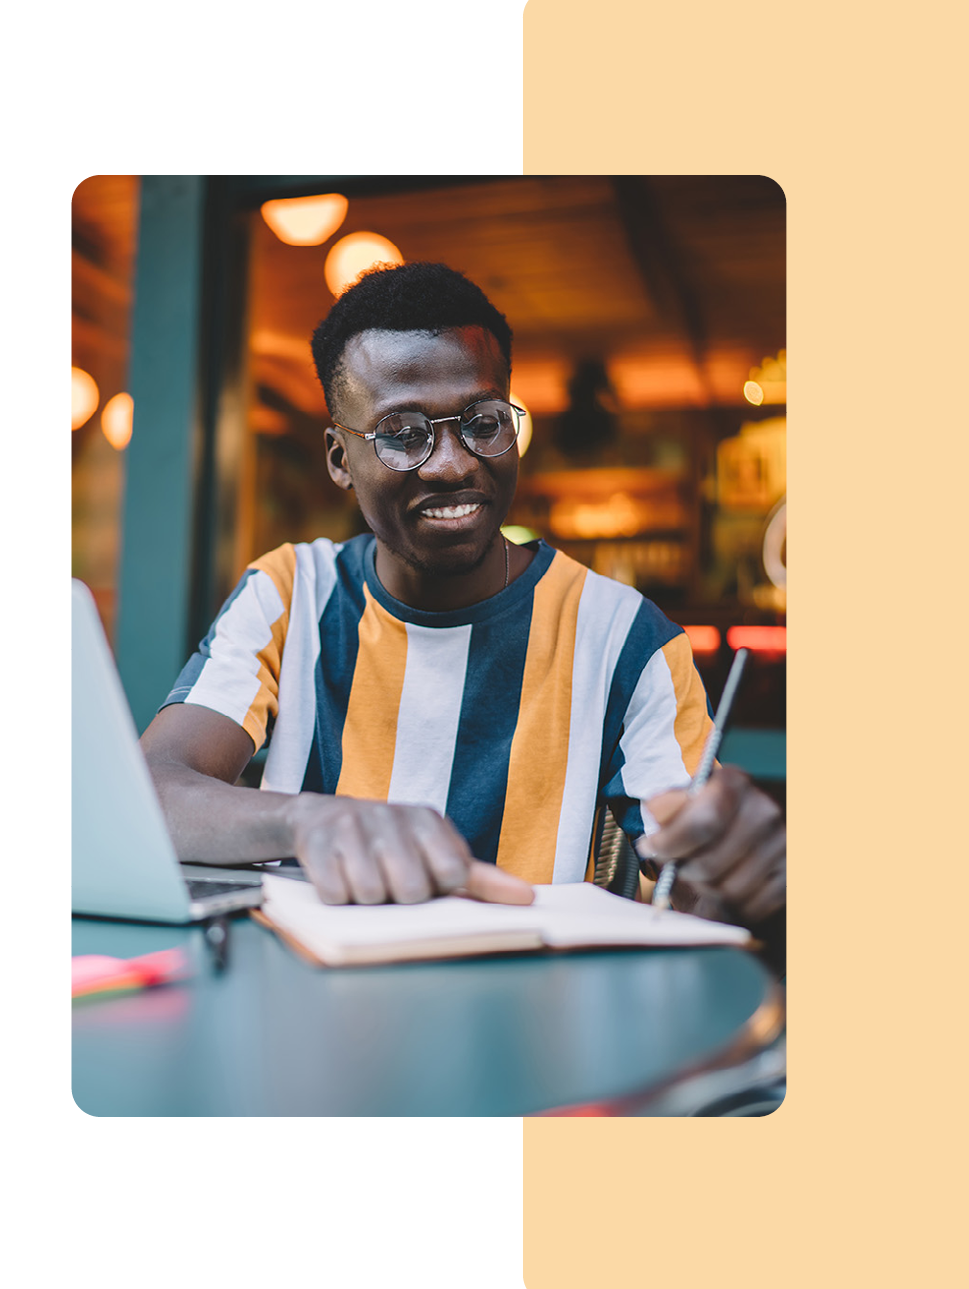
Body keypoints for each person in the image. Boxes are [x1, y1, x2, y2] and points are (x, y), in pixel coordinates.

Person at [140, 262, 785, 961]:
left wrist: (742, 874)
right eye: (403, 433)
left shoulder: (625, 635)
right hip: (310, 1022)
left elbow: (690, 894)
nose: (453, 464)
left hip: (538, 1033)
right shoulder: (291, 592)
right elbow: (153, 791)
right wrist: (308, 820)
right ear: (339, 457)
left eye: (481, 423)